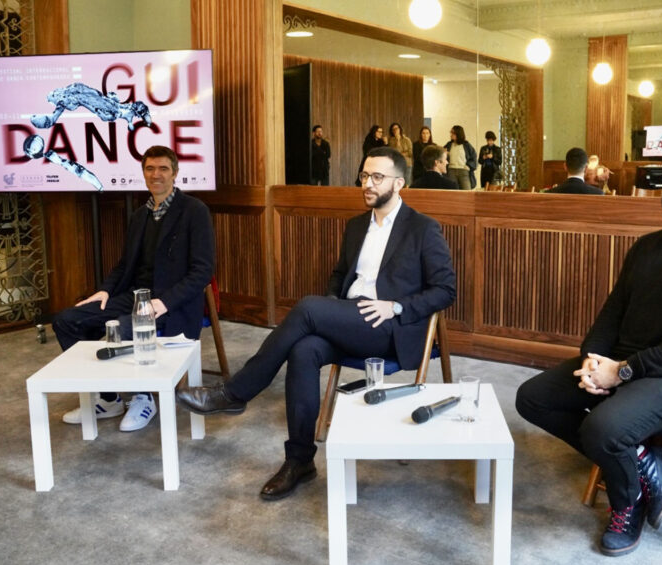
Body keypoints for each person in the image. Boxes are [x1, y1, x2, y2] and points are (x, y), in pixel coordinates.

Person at [515, 144, 662, 557]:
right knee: (533, 397)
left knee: (603, 429)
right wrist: (593, 359)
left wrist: (622, 371)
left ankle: (629, 501)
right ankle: (642, 459)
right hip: (631, 365)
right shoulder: (646, 247)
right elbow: (612, 313)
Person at [176, 146, 456, 501]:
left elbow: (446, 289)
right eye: (364, 176)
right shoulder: (357, 226)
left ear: (399, 183)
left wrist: (395, 307)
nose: (367, 183)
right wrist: (334, 308)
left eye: (377, 177)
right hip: (349, 318)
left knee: (308, 308)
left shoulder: (423, 228)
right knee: (304, 349)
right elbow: (340, 275)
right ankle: (300, 461)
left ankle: (235, 392)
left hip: (389, 327)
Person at [52, 145, 215, 432]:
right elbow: (125, 264)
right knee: (67, 320)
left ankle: (143, 397)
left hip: (172, 304)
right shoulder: (140, 215)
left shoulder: (194, 211)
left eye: (163, 168)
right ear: (143, 173)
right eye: (150, 168)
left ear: (175, 173)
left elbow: (202, 271)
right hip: (136, 297)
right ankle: (108, 398)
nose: (156, 174)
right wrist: (105, 290)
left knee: (125, 328)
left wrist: (163, 303)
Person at [444, 125, 477, 190]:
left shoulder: (466, 145)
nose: (451, 135)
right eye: (451, 132)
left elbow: (474, 156)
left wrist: (468, 166)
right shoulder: (449, 144)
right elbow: (441, 155)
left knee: (466, 191)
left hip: (463, 170)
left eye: (453, 133)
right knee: (452, 191)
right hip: (451, 170)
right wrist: (445, 153)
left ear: (458, 133)